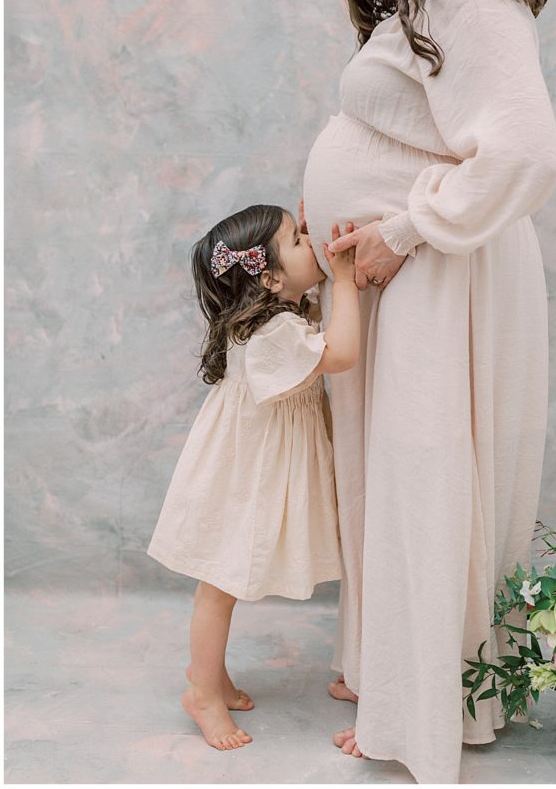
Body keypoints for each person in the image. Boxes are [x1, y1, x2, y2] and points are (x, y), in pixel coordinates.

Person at [299, 0, 556, 782]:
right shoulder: (420, 0)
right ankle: (391, 678)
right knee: (393, 480)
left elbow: (525, 154)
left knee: (427, 478)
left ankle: (424, 717)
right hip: (405, 271)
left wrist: (401, 230)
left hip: (446, 273)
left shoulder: (474, 1)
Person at [147, 205, 360, 751]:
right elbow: (344, 353)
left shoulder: (279, 313)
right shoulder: (273, 333)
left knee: (223, 585)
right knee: (219, 586)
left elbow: (302, 296)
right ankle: (201, 691)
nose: (310, 240)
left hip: (252, 465)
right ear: (268, 278)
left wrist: (304, 235)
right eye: (297, 238)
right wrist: (345, 281)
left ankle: (212, 676)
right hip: (243, 475)